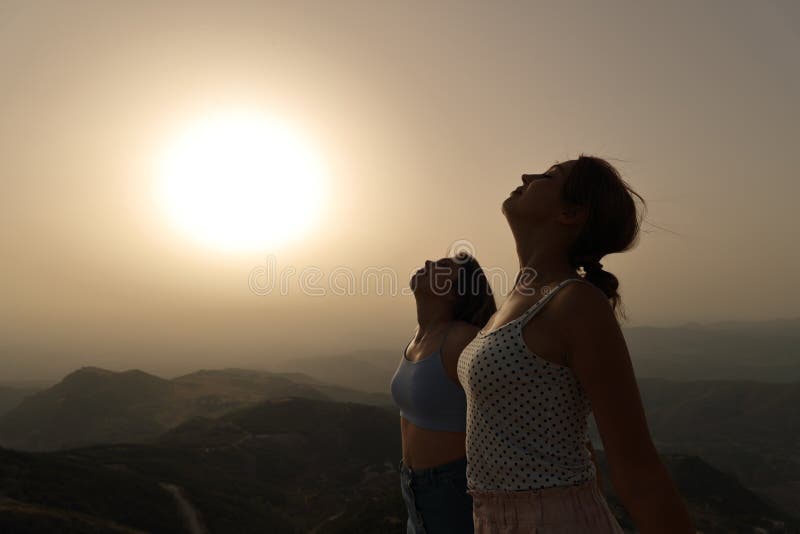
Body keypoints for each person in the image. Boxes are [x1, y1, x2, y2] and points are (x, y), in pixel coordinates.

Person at [456, 155, 696, 533]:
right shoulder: (520, 300)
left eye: (549, 176)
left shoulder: (575, 303)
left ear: (571, 213)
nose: (526, 175)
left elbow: (638, 470)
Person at [390, 252, 496, 533]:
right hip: (413, 489)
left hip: (453, 491)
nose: (427, 263)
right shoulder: (417, 337)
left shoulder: (463, 339)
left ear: (455, 292)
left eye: (444, 267)